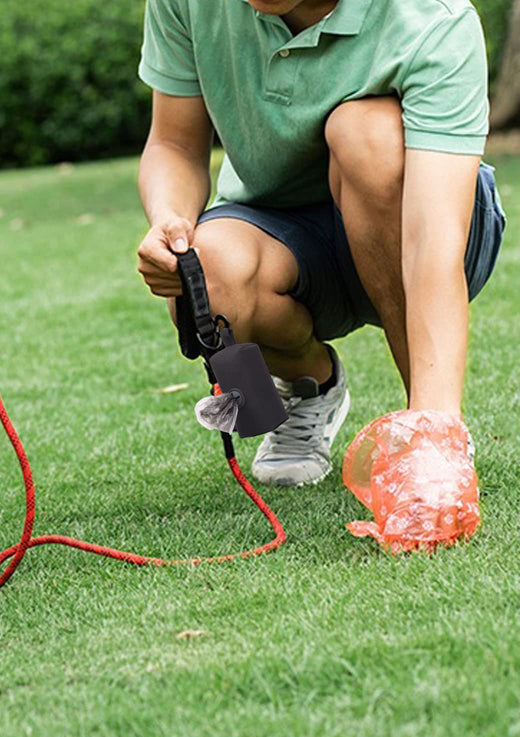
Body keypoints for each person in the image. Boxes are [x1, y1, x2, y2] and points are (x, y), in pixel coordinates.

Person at [136, 0, 507, 490]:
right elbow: (175, 144)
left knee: (363, 132)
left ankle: (428, 434)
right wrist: (171, 220)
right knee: (207, 271)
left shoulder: (432, 17)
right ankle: (311, 385)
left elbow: (432, 243)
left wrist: (436, 429)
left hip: (423, 223)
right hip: (280, 231)